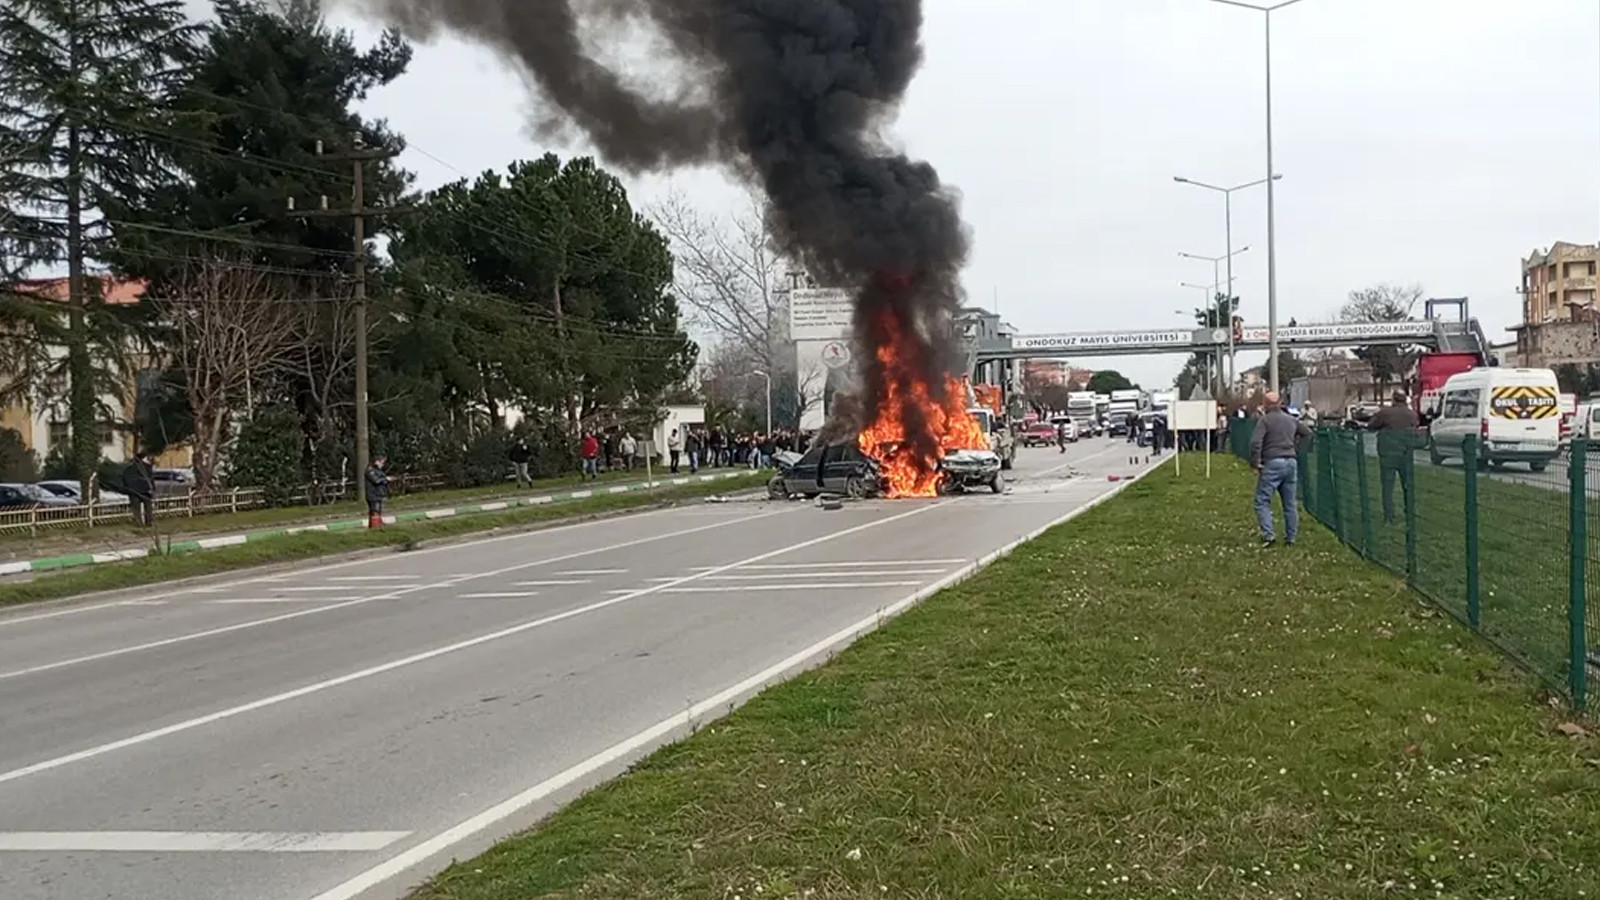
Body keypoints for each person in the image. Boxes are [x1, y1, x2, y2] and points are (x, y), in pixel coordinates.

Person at [1249, 390, 1314, 547]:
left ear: (1265, 404)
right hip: (1291, 462)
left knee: (1262, 500)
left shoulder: (1265, 420)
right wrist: (1297, 449)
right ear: (1280, 403)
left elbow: (1256, 442)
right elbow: (1307, 433)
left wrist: (1256, 462)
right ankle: (1291, 538)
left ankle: (1269, 535)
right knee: (1290, 503)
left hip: (1272, 461)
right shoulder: (1291, 419)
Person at [1368, 390, 1419, 525]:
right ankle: (1409, 514)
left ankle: (1389, 516)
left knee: (1387, 486)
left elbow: (1371, 425)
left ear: (1393, 399)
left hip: (1388, 454)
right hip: (1406, 454)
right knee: (1407, 485)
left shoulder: (1385, 413)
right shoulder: (1412, 415)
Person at [123, 452, 156, 527]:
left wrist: (128, 488)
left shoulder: (129, 468)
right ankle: (149, 522)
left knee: (136, 508)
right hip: (145, 491)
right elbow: (151, 479)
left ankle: (138, 523)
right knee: (148, 507)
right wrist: (152, 489)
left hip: (133, 491)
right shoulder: (147, 467)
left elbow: (125, 479)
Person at [365, 455, 389, 525]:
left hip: (378, 494)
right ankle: (375, 526)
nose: (382, 465)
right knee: (375, 511)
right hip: (373, 495)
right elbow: (376, 480)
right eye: (381, 463)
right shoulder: (370, 470)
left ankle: (377, 524)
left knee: (378, 511)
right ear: (376, 462)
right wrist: (385, 479)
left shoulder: (378, 471)